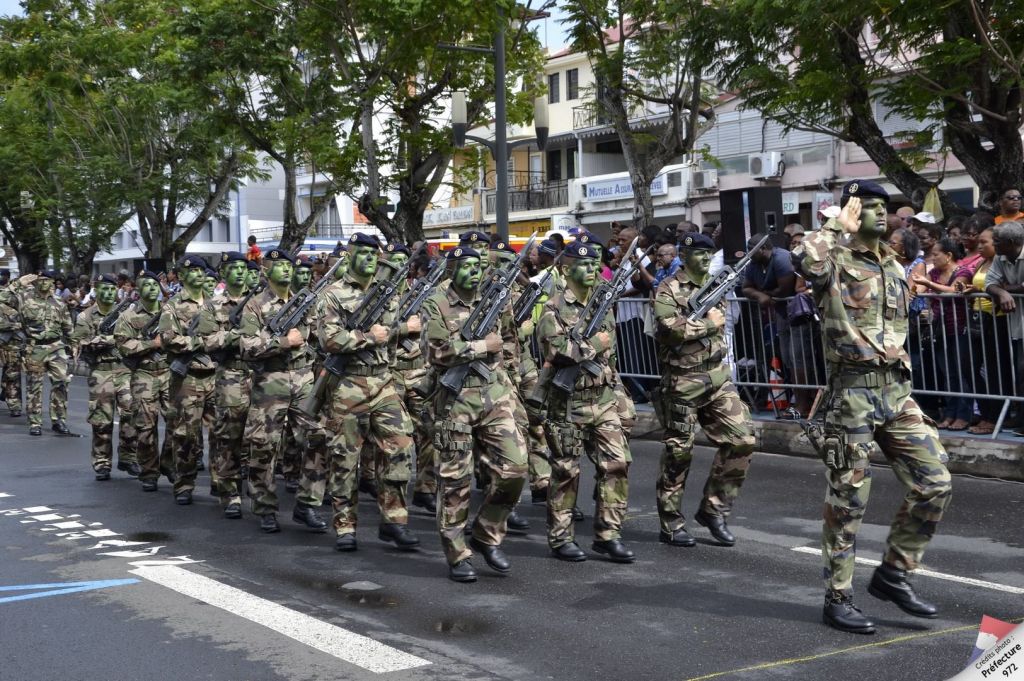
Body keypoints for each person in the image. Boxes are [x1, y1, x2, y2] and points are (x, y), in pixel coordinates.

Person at [802, 179, 952, 635]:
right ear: (851, 212)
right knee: (848, 501)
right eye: (868, 207)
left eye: (883, 207)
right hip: (851, 394)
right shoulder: (835, 259)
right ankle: (838, 597)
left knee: (936, 481)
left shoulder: (893, 263)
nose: (880, 214)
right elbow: (807, 262)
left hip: (896, 392)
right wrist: (833, 225)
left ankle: (893, 574)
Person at [421, 246, 529, 582]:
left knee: (516, 468)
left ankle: (486, 532)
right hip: (454, 401)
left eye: (478, 266)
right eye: (466, 266)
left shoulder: (496, 298)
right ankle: (457, 554)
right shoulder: (434, 302)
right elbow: (436, 351)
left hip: (495, 396)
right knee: (455, 482)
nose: (474, 272)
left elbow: (509, 342)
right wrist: (481, 347)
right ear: (452, 270)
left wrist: (515, 385)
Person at [652, 233, 756, 548]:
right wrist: (709, 324)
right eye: (698, 253)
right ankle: (670, 522)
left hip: (717, 377)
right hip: (683, 381)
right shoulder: (667, 288)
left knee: (743, 440)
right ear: (683, 255)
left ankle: (713, 510)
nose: (705, 258)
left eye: (709, 253)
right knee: (679, 453)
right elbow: (668, 330)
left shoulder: (715, 285)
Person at [536, 242, 636, 564]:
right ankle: (561, 537)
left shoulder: (601, 306)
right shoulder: (552, 309)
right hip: (568, 403)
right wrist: (595, 343)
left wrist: (620, 397)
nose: (593, 269)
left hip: (603, 400)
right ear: (566, 270)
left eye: (595, 263)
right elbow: (559, 351)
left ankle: (609, 535)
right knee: (566, 471)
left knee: (617, 464)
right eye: (585, 264)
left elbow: (611, 358)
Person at [239, 248, 323, 533]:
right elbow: (247, 347)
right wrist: (284, 342)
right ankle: (265, 507)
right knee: (264, 446)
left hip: (303, 379)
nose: (286, 269)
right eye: (278, 265)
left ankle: (307, 504)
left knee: (318, 437)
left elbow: (319, 337)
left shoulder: (305, 301)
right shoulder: (255, 306)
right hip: (270, 381)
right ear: (265, 270)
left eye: (289, 265)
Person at [195, 252, 254, 519]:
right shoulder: (212, 306)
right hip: (231, 374)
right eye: (234, 268)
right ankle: (229, 492)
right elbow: (208, 341)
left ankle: (256, 487)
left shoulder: (260, 301)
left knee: (260, 438)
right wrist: (237, 336)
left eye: (243, 268)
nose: (240, 272)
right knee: (229, 435)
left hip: (262, 375)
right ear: (224, 273)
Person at [159, 256, 217, 506]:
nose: (197, 274)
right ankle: (184, 483)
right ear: (181, 277)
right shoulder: (172, 306)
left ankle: (221, 482)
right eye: (191, 271)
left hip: (216, 376)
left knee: (221, 433)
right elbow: (168, 339)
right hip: (188, 377)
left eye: (200, 270)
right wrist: (201, 342)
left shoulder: (216, 304)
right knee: (186, 435)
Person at [71, 273, 139, 480]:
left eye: (112, 289)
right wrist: (99, 341)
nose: (109, 293)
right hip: (101, 371)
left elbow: (137, 337)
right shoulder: (86, 316)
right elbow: (79, 343)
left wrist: (110, 340)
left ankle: (128, 457)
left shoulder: (127, 313)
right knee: (101, 421)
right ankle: (102, 461)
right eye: (105, 289)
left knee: (130, 415)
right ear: (96, 290)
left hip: (125, 370)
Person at [115, 270, 175, 491]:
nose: (151, 288)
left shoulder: (169, 313)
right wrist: (152, 345)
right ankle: (149, 472)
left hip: (169, 373)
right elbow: (123, 345)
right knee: (146, 426)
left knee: (176, 423)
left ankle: (168, 463)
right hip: (144, 374)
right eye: (146, 285)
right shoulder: (128, 317)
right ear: (137, 290)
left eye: (154, 284)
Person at [912, 238, 973, 431]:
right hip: (940, 330)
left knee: (961, 373)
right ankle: (949, 413)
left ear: (948, 256)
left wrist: (928, 284)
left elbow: (955, 291)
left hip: (959, 328)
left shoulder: (962, 272)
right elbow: (920, 287)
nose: (932, 258)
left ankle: (964, 415)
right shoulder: (934, 273)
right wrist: (914, 289)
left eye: (936, 254)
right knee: (948, 375)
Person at [21, 270, 73, 436]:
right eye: (41, 280)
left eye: (47, 280)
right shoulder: (26, 300)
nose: (43, 283)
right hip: (35, 347)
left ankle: (59, 420)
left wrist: (73, 344)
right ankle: (35, 422)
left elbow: (67, 326)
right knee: (34, 386)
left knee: (62, 382)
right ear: (36, 281)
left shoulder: (59, 302)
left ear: (52, 283)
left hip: (56, 346)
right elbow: (20, 323)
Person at [0, 269, 25, 417]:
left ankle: (13, 403)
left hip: (11, 339)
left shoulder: (15, 294)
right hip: (12, 340)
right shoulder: (16, 293)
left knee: (12, 373)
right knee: (12, 373)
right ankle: (13, 404)